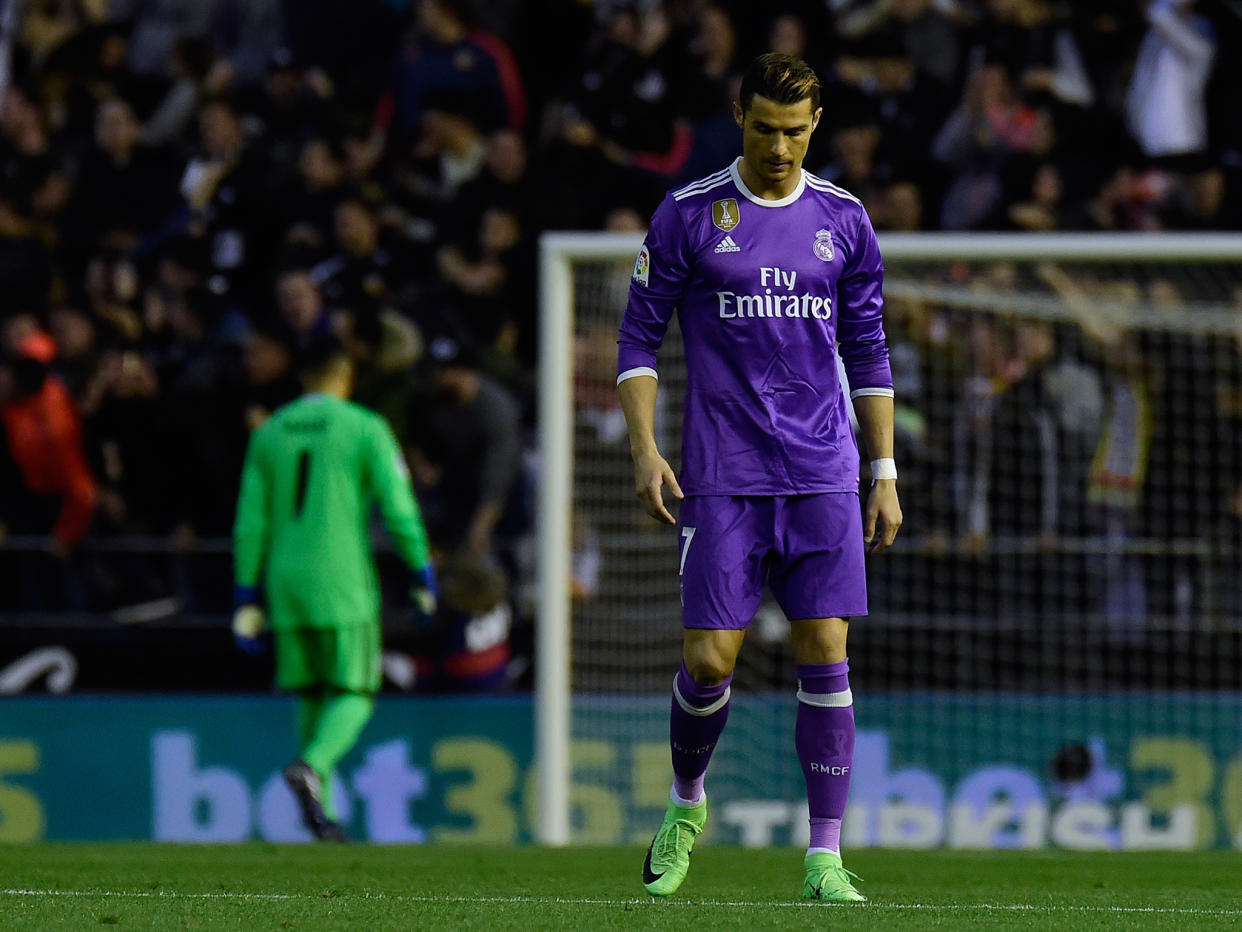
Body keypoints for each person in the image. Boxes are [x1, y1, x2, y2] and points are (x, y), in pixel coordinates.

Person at [616, 53, 901, 902]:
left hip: (822, 469)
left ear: (815, 126)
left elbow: (869, 352)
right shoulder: (688, 214)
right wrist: (643, 448)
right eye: (764, 128)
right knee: (709, 660)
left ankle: (823, 859)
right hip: (723, 470)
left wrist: (883, 471)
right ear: (739, 117)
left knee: (826, 648)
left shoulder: (845, 221)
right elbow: (637, 341)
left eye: (795, 131)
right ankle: (686, 806)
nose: (779, 146)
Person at [231, 334, 437, 841]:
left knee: (311, 691)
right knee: (356, 691)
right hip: (340, 579)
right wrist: (421, 572)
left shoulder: (270, 432)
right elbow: (399, 506)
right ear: (344, 376)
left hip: (284, 581)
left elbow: (249, 523)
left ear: (304, 378)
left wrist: (244, 593)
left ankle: (317, 813)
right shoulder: (365, 427)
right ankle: (312, 767)